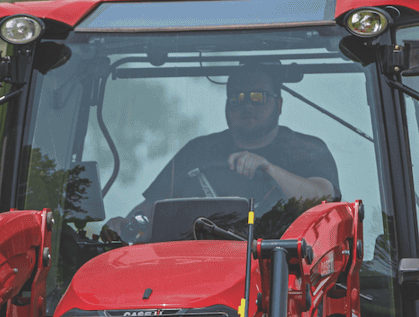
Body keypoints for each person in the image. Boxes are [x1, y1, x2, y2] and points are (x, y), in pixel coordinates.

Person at [137, 67, 338, 213]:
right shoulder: (197, 152)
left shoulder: (306, 149)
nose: (247, 105)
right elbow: (148, 212)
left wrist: (268, 167)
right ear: (226, 105)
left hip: (285, 265)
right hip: (197, 262)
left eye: (258, 97)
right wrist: (121, 226)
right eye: (238, 97)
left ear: (279, 105)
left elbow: (324, 200)